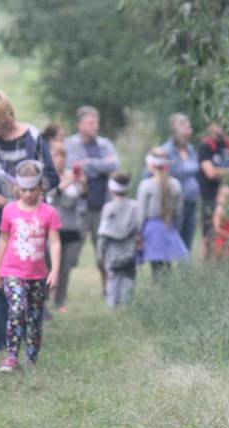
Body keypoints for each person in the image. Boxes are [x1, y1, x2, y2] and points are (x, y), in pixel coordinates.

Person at [0, 90, 59, 352]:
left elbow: (53, 176)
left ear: (4, 117)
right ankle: (2, 342)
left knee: (30, 286)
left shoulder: (32, 137)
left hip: (30, 226)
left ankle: (26, 337)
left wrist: (31, 194)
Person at [0, 160, 61, 372]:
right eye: (24, 190)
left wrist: (55, 271)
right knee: (16, 309)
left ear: (40, 187)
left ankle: (31, 358)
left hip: (37, 275)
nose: (28, 194)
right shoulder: (9, 211)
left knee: (34, 317)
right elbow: (3, 239)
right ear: (17, 188)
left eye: (33, 190)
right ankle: (11, 355)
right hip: (12, 271)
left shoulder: (48, 212)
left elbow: (55, 242)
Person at [65, 106, 120, 293]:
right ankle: (59, 292)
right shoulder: (70, 145)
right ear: (79, 125)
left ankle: (108, 290)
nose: (95, 126)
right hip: (78, 207)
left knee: (103, 251)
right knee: (70, 253)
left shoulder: (104, 144)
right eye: (91, 123)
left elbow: (114, 164)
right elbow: (71, 167)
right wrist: (100, 167)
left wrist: (89, 164)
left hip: (102, 206)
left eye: (96, 122)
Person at [47, 139, 86, 313]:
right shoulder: (47, 177)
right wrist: (65, 185)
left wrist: (83, 182)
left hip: (72, 227)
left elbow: (82, 196)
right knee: (48, 266)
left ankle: (59, 301)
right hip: (53, 229)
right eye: (55, 155)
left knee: (65, 269)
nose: (60, 159)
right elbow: (50, 199)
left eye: (62, 155)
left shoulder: (72, 175)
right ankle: (43, 300)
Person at [137, 148, 188, 280]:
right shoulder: (176, 184)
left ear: (152, 165)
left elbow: (141, 213)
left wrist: (138, 232)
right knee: (167, 265)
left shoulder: (146, 185)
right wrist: (176, 228)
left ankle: (160, 293)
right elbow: (178, 212)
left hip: (152, 230)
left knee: (156, 268)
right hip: (168, 227)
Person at [96, 171, 140, 308]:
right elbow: (139, 228)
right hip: (130, 251)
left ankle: (112, 307)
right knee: (128, 279)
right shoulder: (135, 207)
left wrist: (100, 254)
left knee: (113, 279)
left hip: (112, 253)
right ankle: (126, 306)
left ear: (111, 188)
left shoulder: (108, 208)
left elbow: (103, 234)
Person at [199, 121, 229, 259]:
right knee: (208, 235)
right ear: (211, 127)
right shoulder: (205, 147)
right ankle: (205, 267)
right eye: (218, 124)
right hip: (210, 196)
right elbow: (209, 172)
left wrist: (219, 171)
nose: (222, 128)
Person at [159, 113, 200, 251]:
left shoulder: (191, 150)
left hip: (191, 202)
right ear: (175, 130)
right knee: (172, 239)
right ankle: (167, 271)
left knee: (187, 241)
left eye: (189, 128)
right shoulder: (165, 151)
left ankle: (185, 271)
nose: (189, 132)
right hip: (174, 203)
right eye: (185, 128)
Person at [212, 184, 229, 261]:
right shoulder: (219, 211)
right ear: (218, 197)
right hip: (222, 242)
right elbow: (216, 229)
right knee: (221, 263)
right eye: (225, 197)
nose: (228, 200)